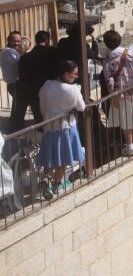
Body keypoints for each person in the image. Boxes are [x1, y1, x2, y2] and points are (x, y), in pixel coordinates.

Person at [37, 60, 86, 195]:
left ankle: (47, 178)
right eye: (74, 74)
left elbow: (42, 106)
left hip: (49, 126)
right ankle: (57, 184)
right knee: (63, 157)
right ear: (65, 74)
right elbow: (81, 107)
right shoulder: (72, 89)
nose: (76, 76)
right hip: (66, 127)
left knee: (51, 155)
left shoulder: (47, 85)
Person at [17, 31, 57, 129]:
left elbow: (22, 75)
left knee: (37, 113)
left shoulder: (25, 57)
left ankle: (40, 129)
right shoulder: (53, 52)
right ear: (47, 41)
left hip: (32, 89)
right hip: (49, 87)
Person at [3, 31, 23, 133]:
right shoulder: (9, 52)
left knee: (17, 107)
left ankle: (16, 129)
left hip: (15, 84)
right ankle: (13, 130)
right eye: (14, 41)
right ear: (8, 40)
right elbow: (22, 61)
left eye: (19, 41)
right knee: (16, 108)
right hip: (14, 84)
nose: (17, 43)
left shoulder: (11, 51)